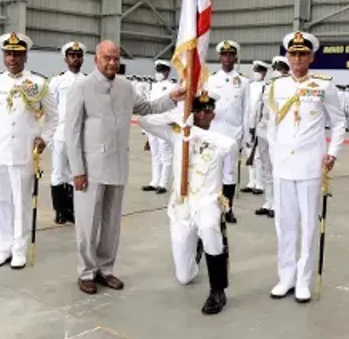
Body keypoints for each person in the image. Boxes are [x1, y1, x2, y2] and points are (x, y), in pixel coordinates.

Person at [65, 40, 184, 295]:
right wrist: (77, 169)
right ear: (96, 59)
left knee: (111, 223)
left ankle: (105, 269)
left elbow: (148, 108)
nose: (112, 63)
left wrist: (172, 97)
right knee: (87, 223)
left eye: (116, 58)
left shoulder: (126, 87)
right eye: (107, 58)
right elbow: (72, 131)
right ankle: (86, 272)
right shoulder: (82, 87)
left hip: (118, 166)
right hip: (90, 167)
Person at [137, 90, 235, 315]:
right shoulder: (177, 133)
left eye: (207, 111)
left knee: (210, 227)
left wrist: (197, 133)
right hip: (182, 204)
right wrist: (174, 115)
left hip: (207, 201)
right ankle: (197, 248)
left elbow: (231, 146)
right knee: (184, 277)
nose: (202, 114)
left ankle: (218, 290)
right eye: (197, 110)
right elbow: (144, 120)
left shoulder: (217, 138)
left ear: (213, 114)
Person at [265, 31, 345, 303]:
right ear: (287, 56)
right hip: (283, 166)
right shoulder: (276, 87)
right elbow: (271, 126)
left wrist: (332, 152)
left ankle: (303, 280)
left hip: (311, 165)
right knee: (284, 224)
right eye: (293, 54)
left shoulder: (324, 86)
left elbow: (338, 123)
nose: (297, 58)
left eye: (302, 54)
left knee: (309, 224)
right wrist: (275, 156)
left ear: (311, 56)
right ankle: (285, 277)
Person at [0, 32, 58, 269]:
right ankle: (3, 248)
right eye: (8, 53)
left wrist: (44, 139)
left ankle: (19, 249)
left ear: (26, 56)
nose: (12, 58)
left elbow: (54, 117)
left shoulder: (38, 83)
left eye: (17, 54)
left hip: (23, 152)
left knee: (22, 203)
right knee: (1, 201)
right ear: (4, 56)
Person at [205, 40, 249, 223]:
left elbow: (247, 111)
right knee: (212, 172)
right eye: (224, 55)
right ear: (220, 57)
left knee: (229, 174)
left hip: (233, 135)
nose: (227, 58)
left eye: (231, 55)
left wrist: (245, 138)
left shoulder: (244, 82)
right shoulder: (210, 79)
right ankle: (211, 208)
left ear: (235, 57)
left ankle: (227, 209)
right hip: (214, 133)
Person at [48, 41, 87, 224]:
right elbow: (51, 107)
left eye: (79, 56)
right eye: (72, 55)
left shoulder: (87, 80)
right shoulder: (57, 81)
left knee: (75, 172)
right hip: (61, 133)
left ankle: (72, 209)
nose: (76, 58)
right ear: (66, 58)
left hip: (79, 134)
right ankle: (60, 210)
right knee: (58, 172)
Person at [142, 60, 175, 194]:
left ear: (167, 72)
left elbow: (173, 106)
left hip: (164, 124)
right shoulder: (153, 86)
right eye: (157, 70)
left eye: (161, 70)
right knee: (155, 154)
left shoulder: (172, 87)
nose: (159, 73)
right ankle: (154, 181)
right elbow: (149, 106)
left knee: (165, 154)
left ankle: (164, 183)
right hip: (152, 123)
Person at [242, 60, 269, 196]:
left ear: (264, 73)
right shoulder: (249, 86)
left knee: (258, 155)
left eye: (259, 71)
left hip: (258, 125)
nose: (256, 74)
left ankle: (260, 183)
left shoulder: (266, 87)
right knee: (249, 154)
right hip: (248, 124)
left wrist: (257, 126)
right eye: (255, 71)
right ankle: (251, 181)